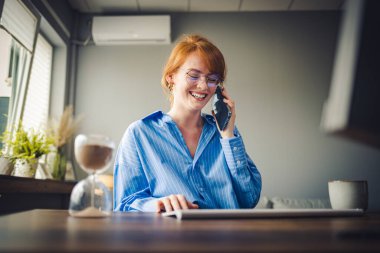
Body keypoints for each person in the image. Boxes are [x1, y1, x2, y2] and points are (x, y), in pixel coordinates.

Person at [114, 34, 261, 212]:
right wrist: (156, 205)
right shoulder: (139, 134)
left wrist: (229, 136)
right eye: (194, 76)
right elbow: (123, 205)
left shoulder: (225, 133)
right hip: (171, 237)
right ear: (171, 77)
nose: (203, 86)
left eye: (212, 79)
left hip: (227, 237)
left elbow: (249, 200)